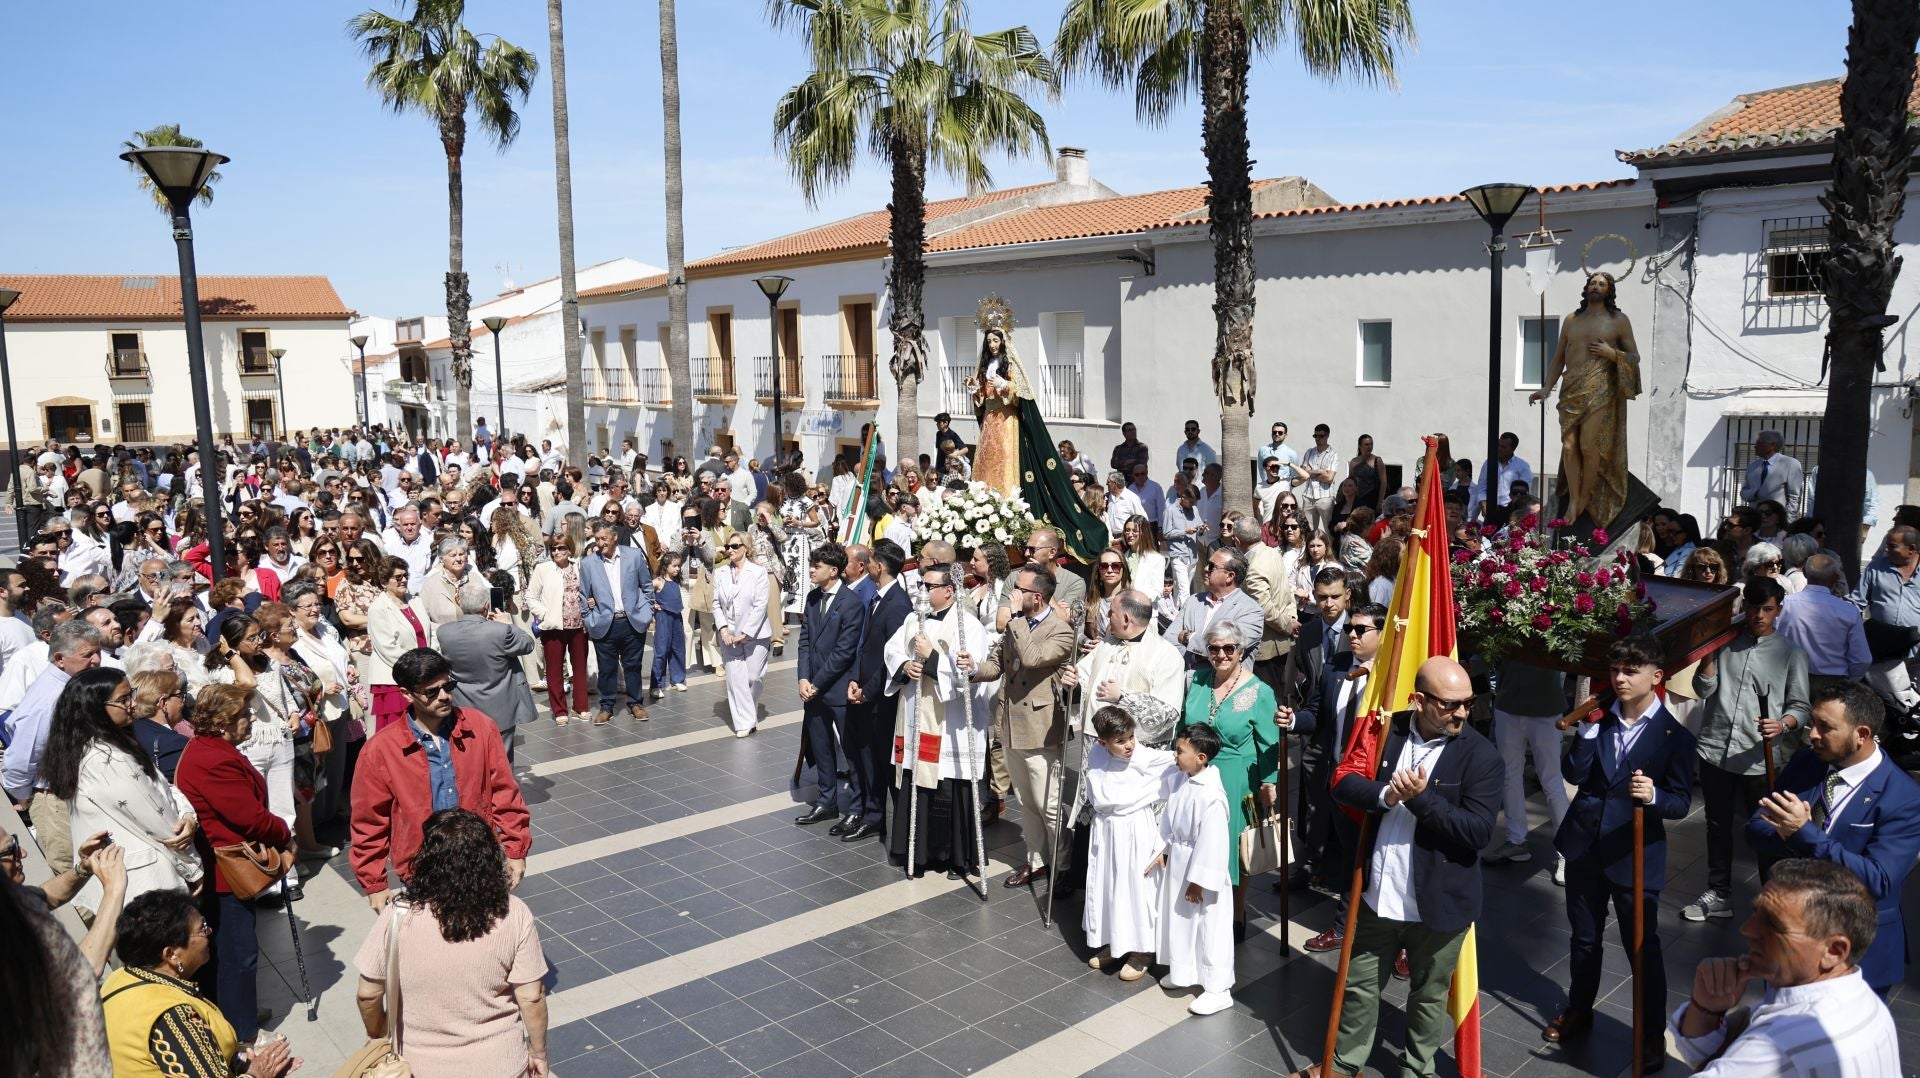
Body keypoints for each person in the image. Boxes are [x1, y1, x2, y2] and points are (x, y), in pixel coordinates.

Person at [1299, 657, 1502, 1078]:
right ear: (1418, 700)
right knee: (1359, 986)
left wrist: (1421, 800)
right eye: (1450, 704)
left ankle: (1416, 1070)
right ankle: (1344, 1064)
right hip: (1379, 896)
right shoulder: (1383, 732)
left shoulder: (1481, 755)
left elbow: (1478, 831)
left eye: (1468, 702)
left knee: (1428, 997)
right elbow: (1344, 781)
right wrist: (1386, 796)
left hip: (1439, 904)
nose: (1462, 713)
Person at [1543, 636, 1696, 1070]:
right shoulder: (1600, 720)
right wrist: (1587, 731)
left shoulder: (1675, 737)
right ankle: (1579, 1009)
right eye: (1615, 670)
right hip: (1585, 846)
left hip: (1634, 854)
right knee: (1584, 938)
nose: (1620, 679)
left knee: (1642, 948)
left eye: (1631, 671)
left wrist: (1654, 796)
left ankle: (1650, 1034)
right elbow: (1574, 773)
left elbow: (1680, 802)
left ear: (1656, 676)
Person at [1745, 681, 1920, 994]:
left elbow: (1877, 879)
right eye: (1813, 723)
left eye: (1825, 727)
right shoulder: (1806, 763)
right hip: (1789, 942)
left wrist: (1803, 834)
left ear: (1861, 734)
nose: (1812, 734)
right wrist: (1793, 833)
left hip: (1857, 957)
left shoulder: (1904, 797)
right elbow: (1756, 828)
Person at [352, 809, 548, 1078]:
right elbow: (531, 996)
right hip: (500, 1065)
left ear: (426, 859)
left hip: (418, 1067)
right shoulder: (513, 913)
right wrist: (538, 1052)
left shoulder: (397, 915)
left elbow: (368, 994)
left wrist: (377, 1034)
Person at [1668, 860, 1897, 1075]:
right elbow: (1705, 1057)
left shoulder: (1780, 1043)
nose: (1747, 929)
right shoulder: (1865, 1002)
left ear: (1834, 951)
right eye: (1756, 913)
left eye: (1773, 924)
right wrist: (1707, 1008)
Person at [349, 648, 531, 910]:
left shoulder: (480, 727)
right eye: (431, 692)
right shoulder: (380, 750)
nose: (444, 696)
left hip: (480, 862)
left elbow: (505, 793)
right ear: (407, 694)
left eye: (448, 686)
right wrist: (374, 883)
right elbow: (369, 822)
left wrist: (516, 850)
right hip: (421, 871)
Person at [1682, 577, 1810, 923]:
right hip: (1715, 749)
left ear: (1778, 610)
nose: (1759, 615)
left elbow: (1800, 707)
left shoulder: (1791, 653)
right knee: (1717, 825)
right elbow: (1703, 689)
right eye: (1754, 607)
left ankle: (1772, 899)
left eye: (1767, 609)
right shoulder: (1724, 643)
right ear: (1745, 606)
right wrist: (1709, 654)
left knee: (1766, 829)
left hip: (1759, 758)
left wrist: (1782, 724)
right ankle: (1719, 893)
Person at [172, 683, 293, 1043]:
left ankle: (236, 1012)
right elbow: (249, 818)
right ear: (222, 722)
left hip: (222, 867)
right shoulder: (214, 760)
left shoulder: (210, 749)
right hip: (226, 871)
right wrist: (285, 835)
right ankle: (242, 1033)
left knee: (228, 950)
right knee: (237, 953)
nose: (251, 719)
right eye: (244, 714)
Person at [39, 666, 202, 914]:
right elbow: (156, 816)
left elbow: (162, 788)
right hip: (146, 885)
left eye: (131, 694)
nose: (133, 704)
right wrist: (193, 867)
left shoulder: (111, 744)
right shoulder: (103, 759)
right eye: (123, 699)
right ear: (95, 708)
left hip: (140, 880)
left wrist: (189, 815)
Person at [100, 889, 299, 1078]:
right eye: (202, 929)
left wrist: (238, 1063)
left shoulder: (118, 978)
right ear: (171, 954)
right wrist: (257, 1074)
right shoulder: (172, 1016)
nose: (209, 931)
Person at [970, 563, 1076, 889]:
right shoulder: (1018, 625)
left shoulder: (1060, 630)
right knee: (1026, 803)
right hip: (1011, 725)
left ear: (1038, 597)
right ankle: (1036, 861)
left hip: (1041, 728)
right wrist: (972, 668)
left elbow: (1032, 658)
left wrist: (1015, 619)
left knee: (1049, 805)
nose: (1014, 594)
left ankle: (1063, 865)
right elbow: (996, 664)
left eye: (1021, 590)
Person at [886, 560, 995, 876]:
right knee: (916, 781)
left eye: (929, 585)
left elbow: (968, 675)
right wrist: (905, 665)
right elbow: (891, 650)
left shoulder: (967, 625)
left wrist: (931, 656)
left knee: (950, 784)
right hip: (915, 719)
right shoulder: (913, 619)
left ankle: (955, 857)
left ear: (948, 590)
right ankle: (918, 855)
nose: (921, 590)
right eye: (920, 584)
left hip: (951, 726)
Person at [1177, 621, 1278, 942]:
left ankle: (1235, 912)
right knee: (1196, 842)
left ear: (1241, 651)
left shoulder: (1260, 692)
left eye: (1228, 648)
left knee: (1233, 849)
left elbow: (1269, 743)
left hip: (1237, 780)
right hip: (1195, 775)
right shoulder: (1198, 681)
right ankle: (1195, 908)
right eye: (1214, 648)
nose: (1221, 655)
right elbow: (1182, 727)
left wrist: (1269, 783)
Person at [1527, 272, 1642, 527]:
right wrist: (1546, 387)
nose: (1596, 286)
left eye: (1601, 284)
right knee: (1569, 447)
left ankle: (1585, 496)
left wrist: (1612, 353)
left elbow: (1634, 357)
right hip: (1571, 387)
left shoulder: (1618, 320)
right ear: (1586, 287)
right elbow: (1559, 356)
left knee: (1588, 445)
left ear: (1609, 290)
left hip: (1600, 387)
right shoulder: (1572, 319)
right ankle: (1574, 497)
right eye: (1592, 283)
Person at [2, 619, 106, 873]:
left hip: (76, 795)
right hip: (56, 802)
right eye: (87, 655)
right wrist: (28, 797)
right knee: (74, 875)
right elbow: (20, 760)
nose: (96, 660)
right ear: (60, 659)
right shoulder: (50, 700)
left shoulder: (73, 686)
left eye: (98, 652)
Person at [1082, 705, 1177, 983]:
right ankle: (1116, 941)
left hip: (1134, 828)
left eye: (1131, 737)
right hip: (1107, 830)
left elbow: (1173, 761)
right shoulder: (1097, 753)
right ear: (1103, 742)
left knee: (1136, 886)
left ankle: (1142, 949)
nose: (1129, 745)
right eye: (1120, 741)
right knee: (1110, 885)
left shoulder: (1143, 756)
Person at [1146, 721, 1235, 1016]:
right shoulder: (1184, 780)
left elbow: (1214, 843)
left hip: (1202, 872)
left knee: (1209, 927)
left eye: (1180, 751)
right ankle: (1184, 972)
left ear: (1201, 757)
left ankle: (1218, 989)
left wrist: (1199, 882)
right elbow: (1172, 819)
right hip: (1181, 862)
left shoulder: (1212, 796)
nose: (1175, 755)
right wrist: (1165, 849)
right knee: (1181, 922)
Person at [795, 544, 868, 825]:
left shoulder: (851, 602)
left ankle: (857, 807)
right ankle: (826, 802)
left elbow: (844, 651)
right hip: (813, 689)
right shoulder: (813, 597)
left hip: (837, 688)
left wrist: (816, 683)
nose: (812, 570)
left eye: (818, 566)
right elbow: (804, 641)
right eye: (812, 565)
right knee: (821, 746)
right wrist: (803, 678)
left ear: (834, 571)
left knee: (851, 750)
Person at [1483, 660, 1573, 885]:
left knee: (1551, 780)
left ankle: (1566, 851)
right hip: (1508, 703)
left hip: (1546, 707)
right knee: (1509, 776)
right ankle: (1516, 840)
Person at [845, 540, 911, 839]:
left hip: (882, 698)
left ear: (879, 567)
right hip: (866, 690)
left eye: (870, 561)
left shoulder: (898, 605)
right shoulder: (878, 597)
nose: (868, 565)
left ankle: (894, 825)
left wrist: (868, 691)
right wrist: (855, 679)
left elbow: (892, 659)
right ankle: (873, 816)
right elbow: (867, 647)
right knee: (868, 757)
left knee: (884, 760)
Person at [436, 582, 537, 766]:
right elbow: (528, 644)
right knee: (502, 761)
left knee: (473, 760)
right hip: (501, 705)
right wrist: (508, 623)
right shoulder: (501, 631)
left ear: (459, 602)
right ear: (486, 606)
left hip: (464, 705)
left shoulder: (444, 632)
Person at [578, 520, 654, 725]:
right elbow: (583, 595)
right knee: (607, 668)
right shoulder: (588, 563)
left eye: (604, 538)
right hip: (604, 623)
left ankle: (636, 703)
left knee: (633, 666)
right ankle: (606, 706)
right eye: (597, 539)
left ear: (614, 537)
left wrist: (647, 612)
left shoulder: (634, 556)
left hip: (632, 621)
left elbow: (646, 586)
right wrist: (590, 620)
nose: (600, 543)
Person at [712, 530, 774, 738]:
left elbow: (760, 605)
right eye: (728, 547)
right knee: (735, 680)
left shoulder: (758, 572)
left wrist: (745, 633)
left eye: (735, 546)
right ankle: (745, 723)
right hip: (729, 635)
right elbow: (716, 604)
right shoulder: (720, 573)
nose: (730, 550)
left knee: (754, 677)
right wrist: (723, 629)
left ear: (746, 548)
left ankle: (748, 710)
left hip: (755, 634)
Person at [1777, 553, 1870, 689]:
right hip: (1833, 683)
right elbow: (1862, 659)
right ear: (1835, 577)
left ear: (1805, 573)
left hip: (1792, 680)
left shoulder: (1785, 604)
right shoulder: (1849, 611)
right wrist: (1848, 681)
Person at [1162, 546, 1264, 670]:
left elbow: (1228, 648)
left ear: (1230, 576)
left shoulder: (1251, 610)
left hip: (1223, 681)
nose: (1205, 569)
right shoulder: (1193, 600)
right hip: (1187, 677)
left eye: (1212, 566)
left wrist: (1188, 637)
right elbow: (1169, 639)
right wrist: (1193, 658)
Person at [526, 534, 588, 722]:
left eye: (561, 548)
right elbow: (530, 597)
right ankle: (560, 710)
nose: (557, 552)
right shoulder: (543, 569)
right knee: (554, 670)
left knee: (580, 668)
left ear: (569, 549)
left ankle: (580, 707)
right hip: (553, 626)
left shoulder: (580, 567)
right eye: (553, 548)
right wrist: (544, 614)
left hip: (578, 625)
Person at [1740, 429, 1806, 518]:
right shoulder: (1752, 466)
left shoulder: (1791, 464)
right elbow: (1743, 493)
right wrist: (1755, 493)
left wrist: (1788, 520)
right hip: (1755, 520)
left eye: (1759, 443)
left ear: (1772, 445)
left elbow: (1794, 497)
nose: (1755, 446)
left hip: (1777, 520)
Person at [650, 551, 688, 698]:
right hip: (663, 618)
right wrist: (653, 604)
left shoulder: (676, 581)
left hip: (677, 618)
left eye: (679, 566)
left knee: (678, 649)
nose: (677, 568)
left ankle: (677, 679)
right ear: (666, 566)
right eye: (674, 566)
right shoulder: (659, 581)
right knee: (661, 651)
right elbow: (644, 591)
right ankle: (656, 685)